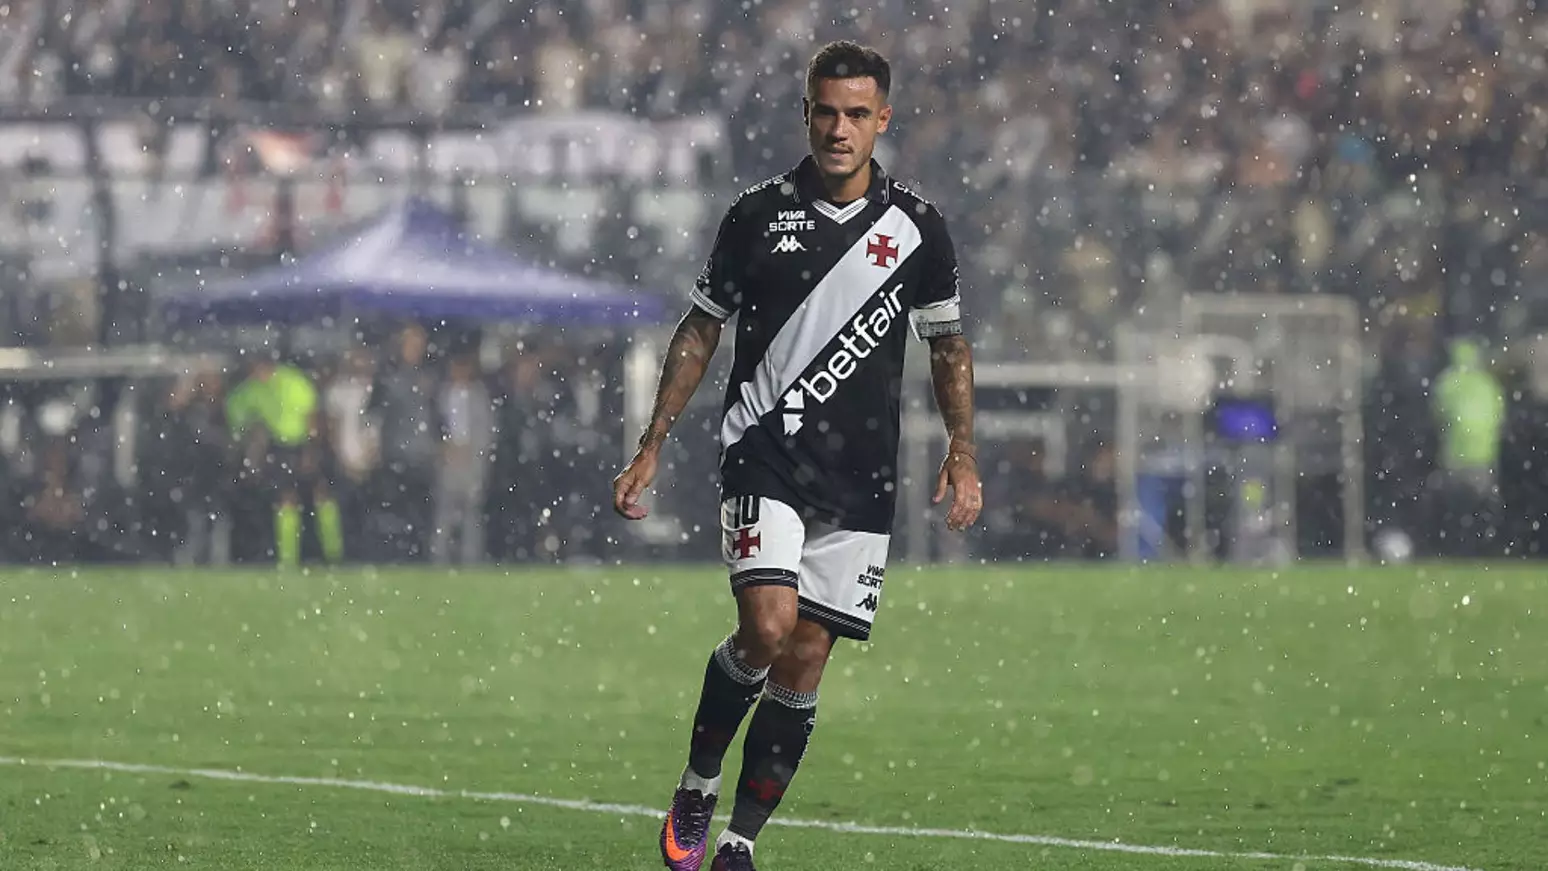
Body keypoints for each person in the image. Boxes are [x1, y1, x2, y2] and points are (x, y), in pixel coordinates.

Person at [611, 40, 982, 871]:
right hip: (763, 453)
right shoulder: (755, 215)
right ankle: (699, 780)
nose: (840, 129)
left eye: (858, 114)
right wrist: (654, 442)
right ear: (805, 112)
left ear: (883, 120)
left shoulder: (918, 228)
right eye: (826, 111)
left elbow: (948, 344)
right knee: (768, 627)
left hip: (861, 475)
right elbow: (702, 326)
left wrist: (963, 450)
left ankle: (739, 843)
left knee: (808, 655)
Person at [226, 356, 344, 567]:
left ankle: (332, 553)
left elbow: (312, 417)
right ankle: (289, 557)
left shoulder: (293, 382)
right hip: (276, 449)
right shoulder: (248, 390)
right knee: (286, 500)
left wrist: (312, 450)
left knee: (320, 496)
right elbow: (241, 423)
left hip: (301, 445)